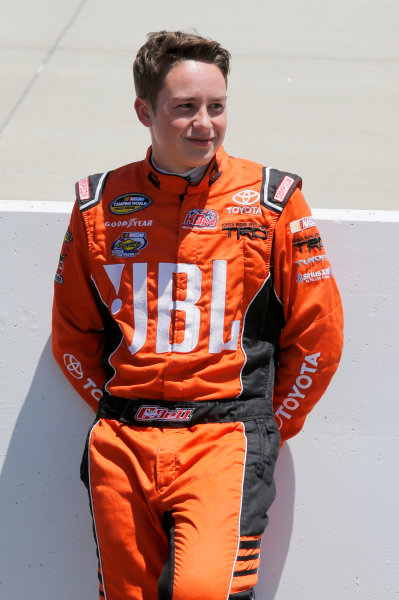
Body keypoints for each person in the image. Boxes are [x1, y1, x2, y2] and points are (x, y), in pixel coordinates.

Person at [52, 30, 344, 600]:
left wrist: (267, 423)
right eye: (184, 108)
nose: (205, 123)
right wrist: (117, 412)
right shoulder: (98, 204)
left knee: (203, 593)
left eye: (216, 106)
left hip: (225, 438)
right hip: (123, 441)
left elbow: (319, 338)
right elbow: (72, 336)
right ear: (145, 111)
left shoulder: (271, 199)